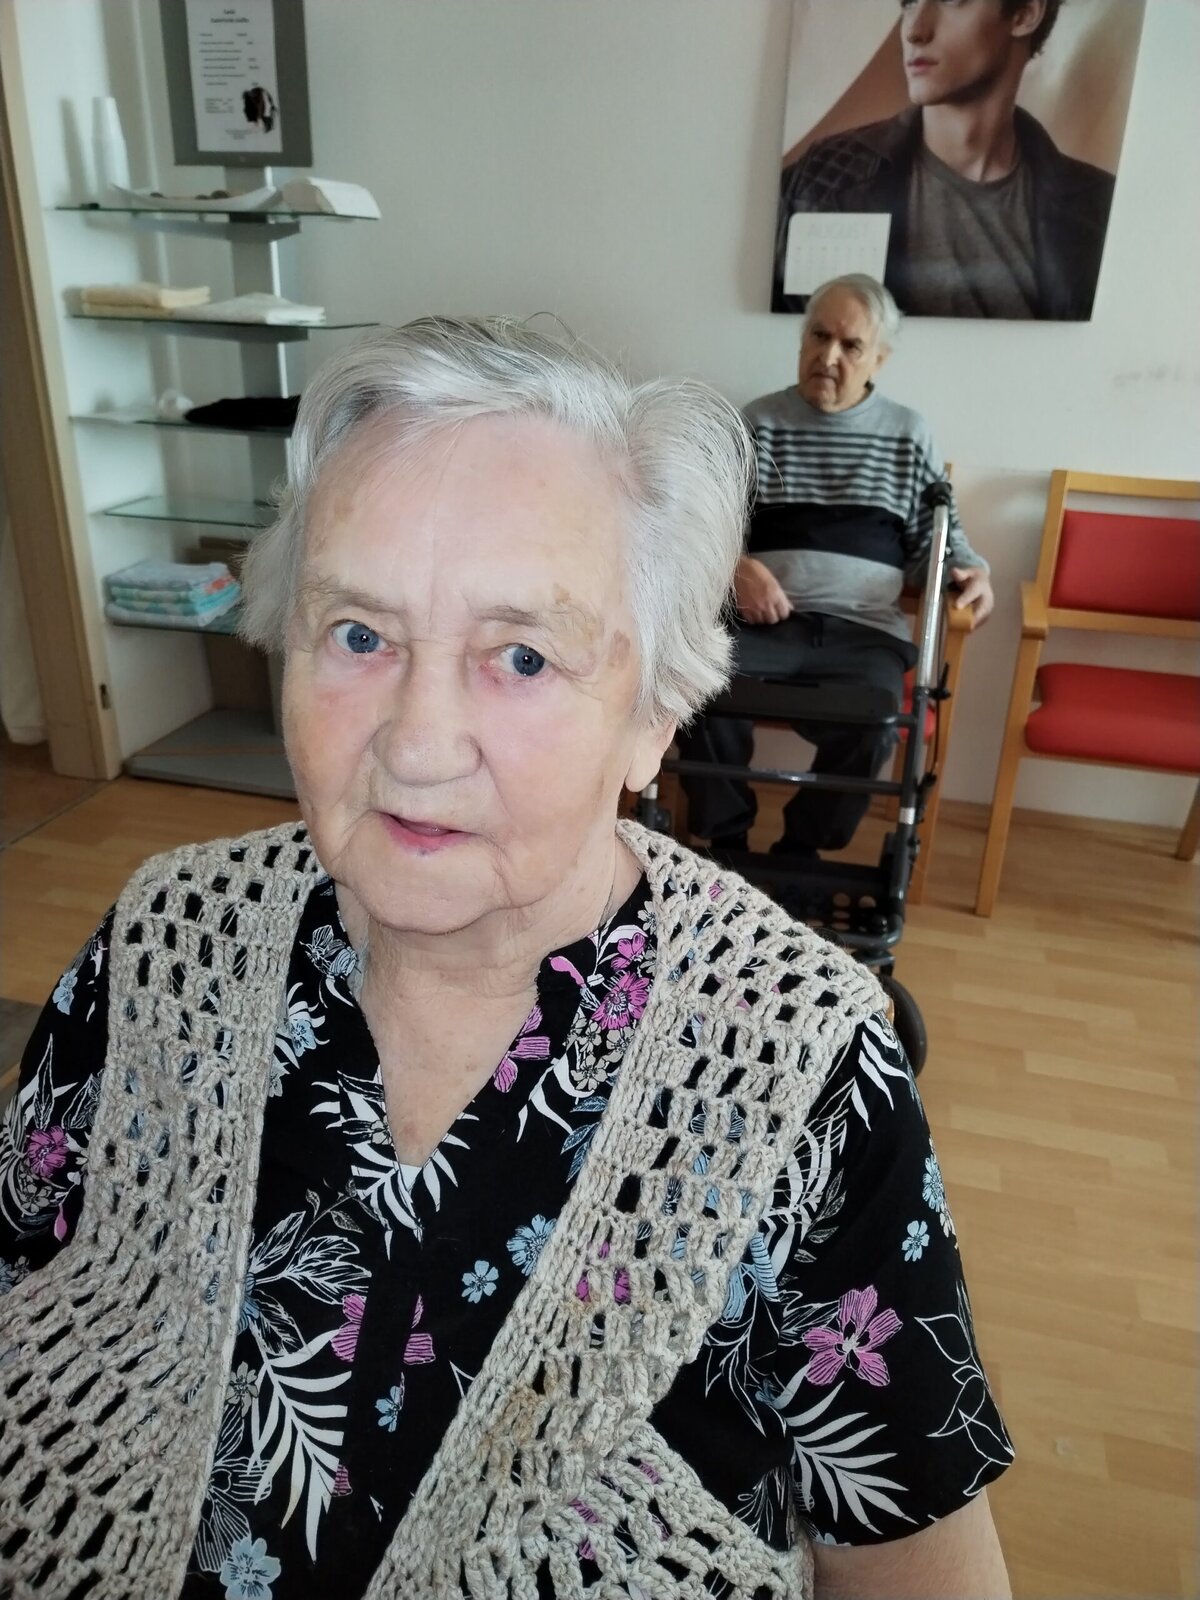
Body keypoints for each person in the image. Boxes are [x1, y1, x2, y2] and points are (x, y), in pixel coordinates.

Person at [0, 318, 1012, 1599]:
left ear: (655, 713)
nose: (417, 743)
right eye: (357, 634)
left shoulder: (807, 1063)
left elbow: (922, 1562)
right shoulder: (164, 942)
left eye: (522, 655)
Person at [679, 274, 992, 860]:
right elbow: (702, 525)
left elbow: (939, 540)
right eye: (819, 336)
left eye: (850, 345)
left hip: (864, 634)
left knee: (876, 721)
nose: (828, 357)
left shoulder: (908, 435)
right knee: (700, 691)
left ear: (879, 359)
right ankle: (726, 843)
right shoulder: (758, 423)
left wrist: (971, 571)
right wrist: (735, 566)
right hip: (764, 627)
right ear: (801, 340)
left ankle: (801, 851)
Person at [772, 0, 1116, 319]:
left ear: (1025, 13)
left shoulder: (1101, 208)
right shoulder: (821, 180)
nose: (914, 30)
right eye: (909, 2)